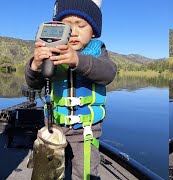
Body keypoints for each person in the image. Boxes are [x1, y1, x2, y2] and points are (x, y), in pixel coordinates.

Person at [25, 0, 117, 179]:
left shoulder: (98, 52)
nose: (74, 32)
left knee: (84, 174)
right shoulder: (50, 52)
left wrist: (77, 60)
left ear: (93, 31)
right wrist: (35, 65)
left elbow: (108, 73)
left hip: (85, 132)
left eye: (81, 25)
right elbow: (33, 84)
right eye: (66, 26)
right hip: (53, 129)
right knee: (50, 172)